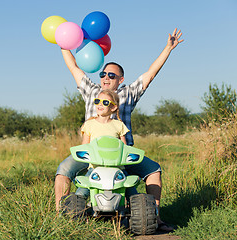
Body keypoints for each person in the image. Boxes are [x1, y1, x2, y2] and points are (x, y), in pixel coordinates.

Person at [55, 28, 183, 232]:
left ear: (120, 79)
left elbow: (150, 74)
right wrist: (64, 44)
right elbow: (74, 69)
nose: (106, 77)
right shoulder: (91, 91)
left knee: (153, 170)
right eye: (103, 74)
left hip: (122, 154)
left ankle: (155, 218)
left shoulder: (127, 94)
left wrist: (168, 48)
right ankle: (61, 218)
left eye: (111, 75)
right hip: (90, 153)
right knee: (63, 170)